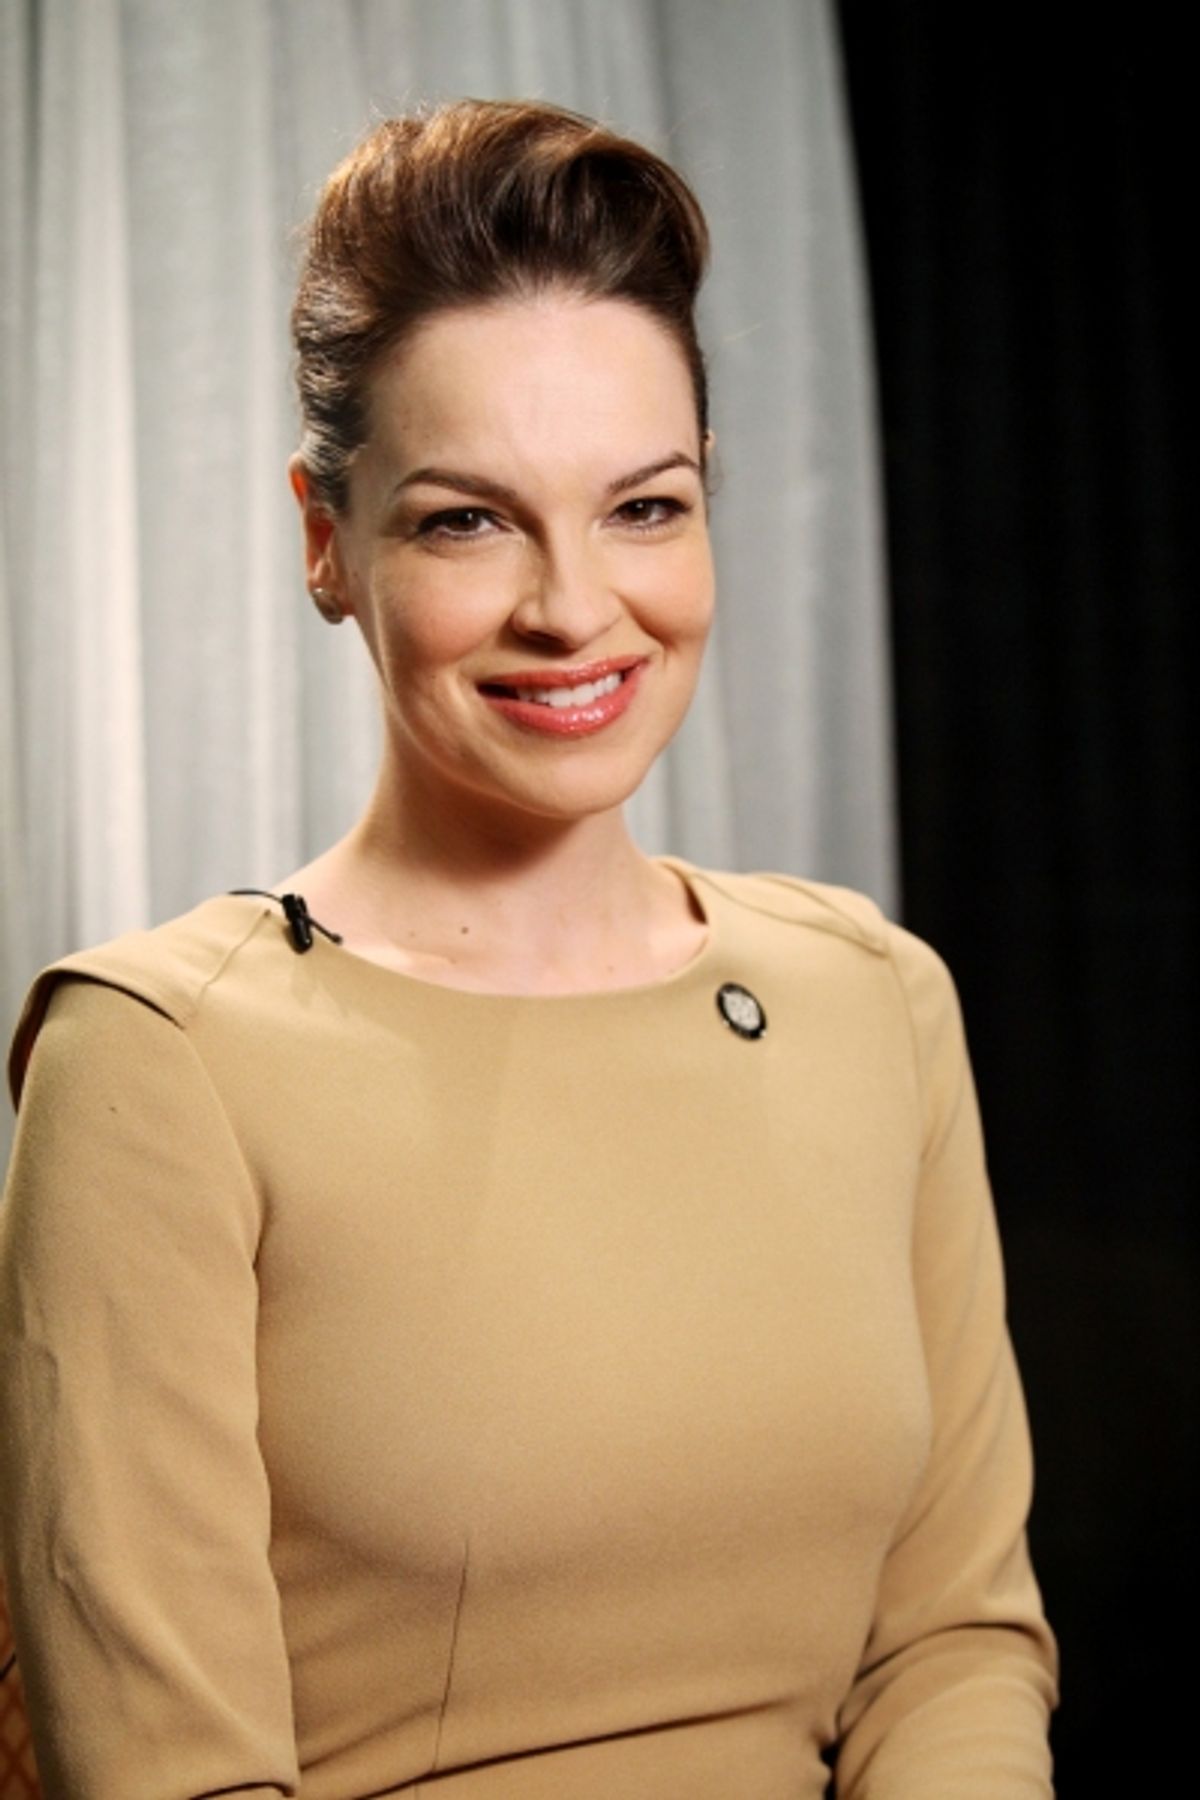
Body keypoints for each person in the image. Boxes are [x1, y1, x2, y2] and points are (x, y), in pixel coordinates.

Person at [0, 100, 1057, 1797]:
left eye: (643, 507)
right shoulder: (157, 1061)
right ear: (325, 539)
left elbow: (952, 1641)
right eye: (465, 521)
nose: (575, 608)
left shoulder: (877, 1001)